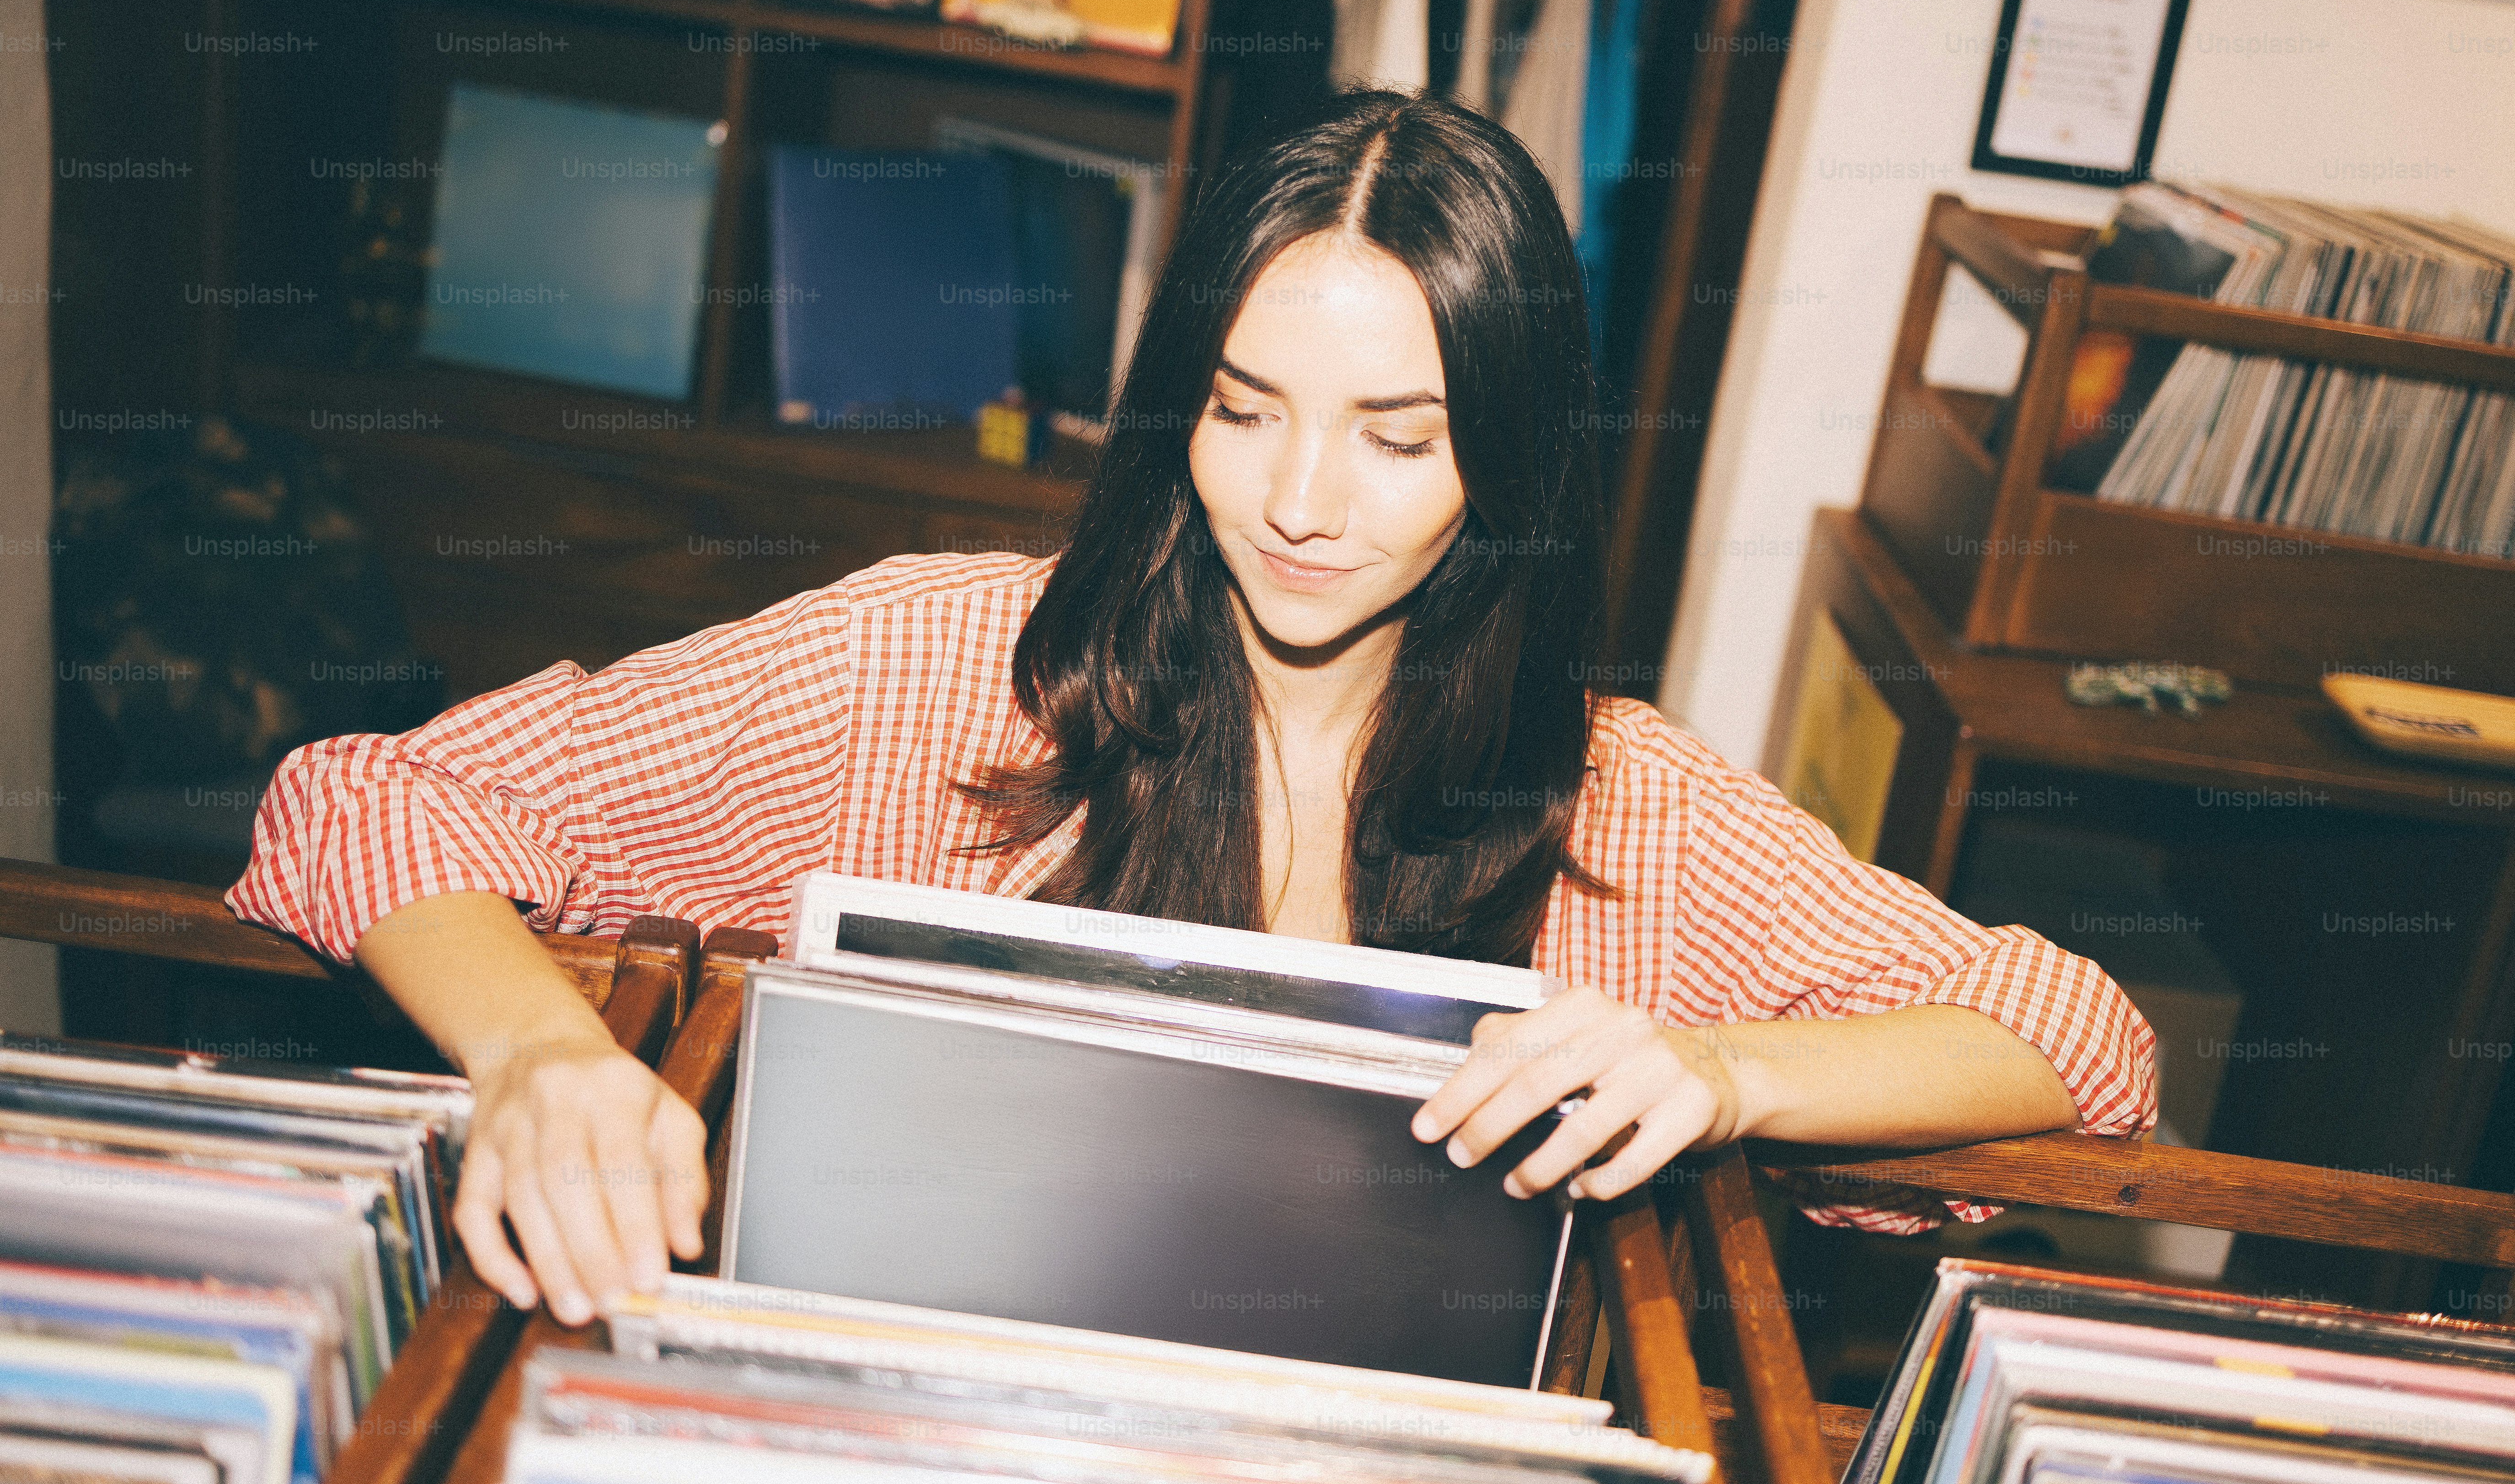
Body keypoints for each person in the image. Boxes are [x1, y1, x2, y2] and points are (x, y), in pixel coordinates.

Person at [229, 90, 2156, 1331]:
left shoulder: (1615, 799)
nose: (1301, 503)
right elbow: (369, 799)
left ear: (1508, 458)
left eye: (1399, 438)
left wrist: (1728, 1073)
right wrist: (538, 1053)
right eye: (1245, 409)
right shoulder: (942, 663)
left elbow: (2080, 1037)